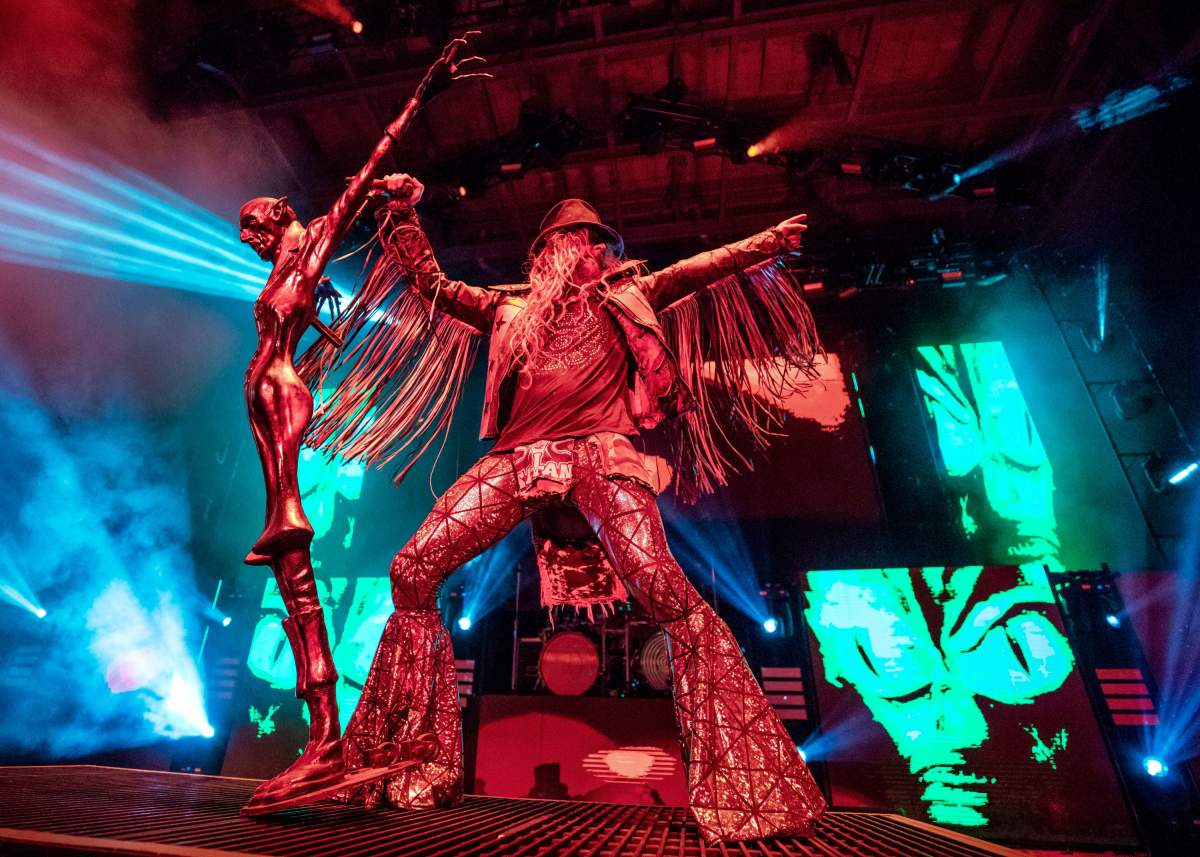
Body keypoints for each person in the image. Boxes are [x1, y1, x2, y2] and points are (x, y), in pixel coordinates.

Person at [301, 174, 827, 842]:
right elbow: (431, 285)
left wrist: (765, 244)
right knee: (411, 569)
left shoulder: (627, 297)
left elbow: (698, 269)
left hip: (601, 456)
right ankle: (410, 760)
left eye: (600, 244)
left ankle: (747, 780)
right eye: (583, 241)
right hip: (520, 459)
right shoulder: (506, 311)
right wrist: (403, 215)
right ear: (552, 250)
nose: (596, 252)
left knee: (667, 587)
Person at [235, 35, 487, 815]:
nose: (248, 235)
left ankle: (326, 742)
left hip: (280, 391)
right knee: (284, 559)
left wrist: (426, 89)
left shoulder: (307, 253)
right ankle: (323, 738)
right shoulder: (282, 268)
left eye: (254, 222)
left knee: (290, 542)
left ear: (280, 217)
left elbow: (370, 168)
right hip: (270, 392)